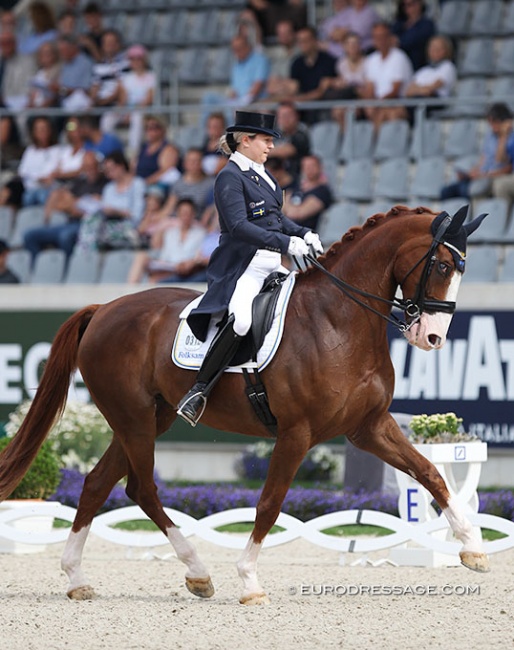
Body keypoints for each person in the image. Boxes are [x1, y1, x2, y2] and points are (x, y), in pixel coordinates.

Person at [176, 110, 323, 426]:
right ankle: (199, 390)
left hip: (272, 264)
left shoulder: (265, 175)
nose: (271, 147)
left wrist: (303, 233)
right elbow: (239, 226)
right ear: (246, 141)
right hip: (244, 267)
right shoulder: (229, 177)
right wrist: (286, 244)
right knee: (241, 320)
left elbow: (277, 219)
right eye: (266, 141)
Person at [24, 150, 107, 265]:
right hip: (70, 222)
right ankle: (36, 272)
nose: (89, 170)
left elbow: (98, 209)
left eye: (92, 166)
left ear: (98, 167)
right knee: (30, 236)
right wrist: (75, 204)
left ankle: (69, 271)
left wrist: (73, 203)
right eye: (86, 166)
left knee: (65, 237)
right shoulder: (80, 182)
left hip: (87, 226)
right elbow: (59, 204)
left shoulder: (105, 184)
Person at [441, 103, 514, 200]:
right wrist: (472, 172)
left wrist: (503, 136)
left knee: (468, 190)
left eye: (493, 122)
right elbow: (483, 159)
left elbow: (501, 162)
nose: (491, 126)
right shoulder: (490, 136)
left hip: (491, 176)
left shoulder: (510, 138)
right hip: (482, 176)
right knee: (446, 192)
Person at [127, 197, 206, 284]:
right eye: (182, 213)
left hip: (189, 270)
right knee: (142, 258)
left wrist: (189, 264)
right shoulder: (170, 233)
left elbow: (200, 256)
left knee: (155, 280)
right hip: (170, 268)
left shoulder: (201, 233)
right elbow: (164, 257)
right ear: (178, 214)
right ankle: (130, 289)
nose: (185, 216)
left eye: (188, 213)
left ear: (193, 214)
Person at [359, 21, 413, 130]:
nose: (380, 40)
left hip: (399, 104)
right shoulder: (371, 60)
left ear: (389, 37)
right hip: (379, 104)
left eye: (383, 36)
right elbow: (370, 88)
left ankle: (378, 144)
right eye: (376, 37)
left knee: (386, 114)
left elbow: (395, 91)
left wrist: (379, 104)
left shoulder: (399, 57)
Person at [0, 115, 60, 208]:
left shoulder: (57, 151)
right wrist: (34, 177)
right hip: (27, 186)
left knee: (37, 195)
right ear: (34, 132)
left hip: (44, 188)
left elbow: (48, 174)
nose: (42, 132)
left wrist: (34, 177)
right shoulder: (30, 150)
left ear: (50, 130)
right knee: (10, 188)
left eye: (44, 128)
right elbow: (23, 171)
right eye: (38, 129)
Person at [288, 26, 338, 123]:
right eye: (299, 41)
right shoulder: (296, 63)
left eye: (305, 40)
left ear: (314, 41)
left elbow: (321, 92)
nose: (302, 44)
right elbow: (293, 88)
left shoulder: (329, 61)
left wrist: (300, 98)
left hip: (323, 107)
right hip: (301, 108)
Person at [404, 35, 457, 115]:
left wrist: (418, 89)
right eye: (432, 47)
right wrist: (422, 90)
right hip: (417, 103)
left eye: (439, 48)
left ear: (446, 50)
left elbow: (432, 88)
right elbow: (408, 91)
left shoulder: (448, 66)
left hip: (435, 103)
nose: (434, 51)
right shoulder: (423, 71)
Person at [283, 154, 333, 230]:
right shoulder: (297, 186)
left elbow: (297, 214)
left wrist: (286, 204)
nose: (309, 169)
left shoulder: (322, 191)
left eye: (312, 166)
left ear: (320, 167)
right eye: (305, 166)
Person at [266, 100, 310, 182]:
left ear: (296, 116)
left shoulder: (302, 134)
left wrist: (262, 151)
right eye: (281, 116)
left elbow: (285, 151)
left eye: (288, 115)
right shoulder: (275, 133)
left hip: (297, 178)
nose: (285, 119)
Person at [133, 114, 181, 187]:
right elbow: (133, 168)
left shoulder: (169, 149)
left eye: (154, 127)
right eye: (147, 127)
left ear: (163, 129)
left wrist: (145, 183)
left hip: (158, 185)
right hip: (140, 184)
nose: (150, 130)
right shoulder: (143, 147)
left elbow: (165, 171)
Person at [391, 0, 436, 71]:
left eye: (411, 4)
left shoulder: (427, 24)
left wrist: (399, 41)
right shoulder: (400, 23)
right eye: (404, 5)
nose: (408, 8)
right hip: (398, 63)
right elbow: (390, 37)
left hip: (417, 64)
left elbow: (410, 41)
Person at [0, 30, 37, 110]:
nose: (6, 45)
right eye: (3, 42)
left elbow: (30, 87)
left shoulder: (27, 62)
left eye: (9, 42)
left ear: (16, 43)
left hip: (16, 105)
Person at [27, 40, 61, 109]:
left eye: (47, 53)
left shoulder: (59, 70)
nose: (45, 56)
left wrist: (43, 105)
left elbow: (57, 93)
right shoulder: (38, 72)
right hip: (36, 107)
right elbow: (33, 92)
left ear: (54, 54)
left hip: (51, 107)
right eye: (42, 53)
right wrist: (31, 102)